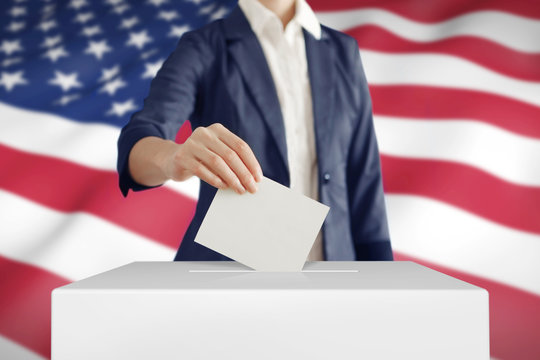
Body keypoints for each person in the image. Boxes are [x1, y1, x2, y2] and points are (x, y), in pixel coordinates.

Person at [117, 0, 393, 261]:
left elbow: (364, 179)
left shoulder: (343, 51)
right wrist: (173, 158)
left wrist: (380, 287)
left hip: (332, 272)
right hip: (231, 273)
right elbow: (140, 139)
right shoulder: (204, 47)